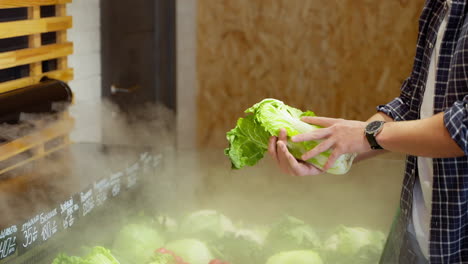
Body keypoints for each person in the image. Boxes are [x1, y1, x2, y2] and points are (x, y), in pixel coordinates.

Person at [268, 0, 468, 263]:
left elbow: (463, 124)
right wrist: (330, 152)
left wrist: (367, 134)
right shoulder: (439, 6)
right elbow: (412, 104)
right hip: (420, 239)